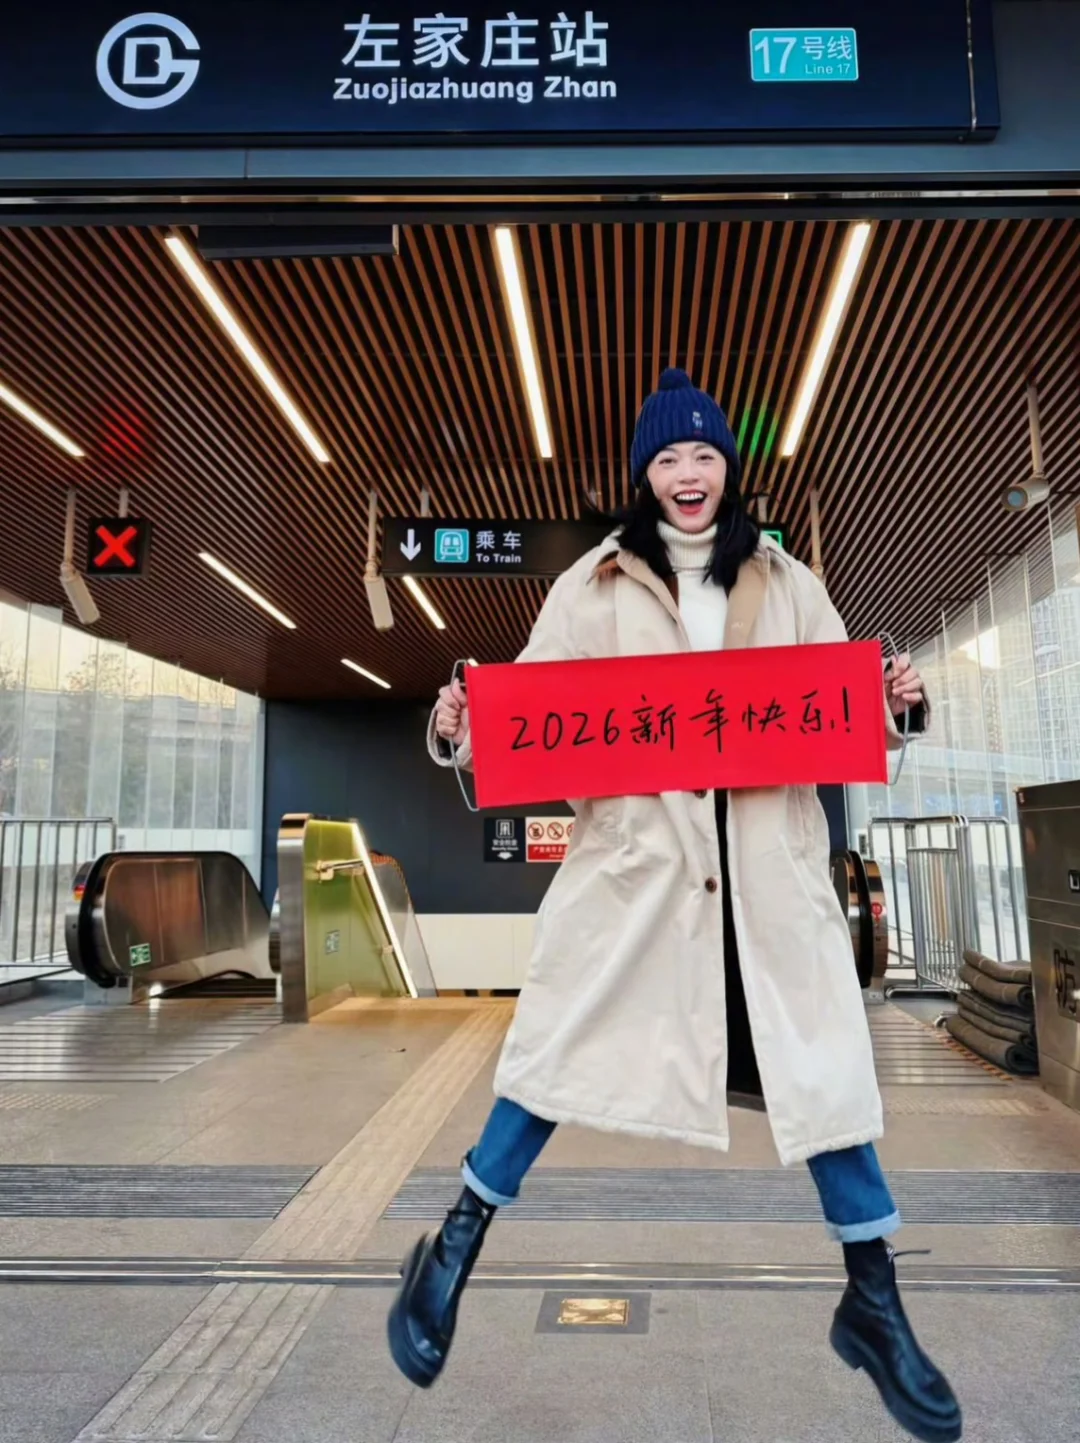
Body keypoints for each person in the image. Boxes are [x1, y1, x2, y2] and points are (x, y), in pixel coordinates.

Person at [388, 368, 960, 1443]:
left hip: (765, 877)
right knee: (554, 1055)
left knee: (821, 1074)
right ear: (643, 475)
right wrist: (463, 725)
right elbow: (529, 716)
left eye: (703, 454)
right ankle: (450, 1252)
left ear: (727, 468)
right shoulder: (592, 586)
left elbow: (842, 710)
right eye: (666, 457)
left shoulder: (787, 579)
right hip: (640, 876)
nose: (687, 474)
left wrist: (893, 707)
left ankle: (874, 1301)